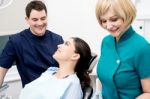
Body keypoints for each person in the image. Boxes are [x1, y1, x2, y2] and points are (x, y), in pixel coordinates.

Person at [0, 0, 63, 87]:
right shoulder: (16, 41)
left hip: (55, 91)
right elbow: (2, 69)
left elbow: (66, 69)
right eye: (35, 20)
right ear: (27, 20)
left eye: (43, 18)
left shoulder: (57, 40)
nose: (40, 23)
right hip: (32, 93)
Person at [96, 0, 150, 98]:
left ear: (127, 14)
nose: (108, 26)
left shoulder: (142, 47)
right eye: (104, 21)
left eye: (114, 19)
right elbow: (104, 77)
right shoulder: (106, 42)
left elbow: (149, 92)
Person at [19, 37, 92, 99]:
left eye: (66, 44)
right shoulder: (50, 72)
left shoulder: (73, 86)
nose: (59, 45)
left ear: (75, 56)